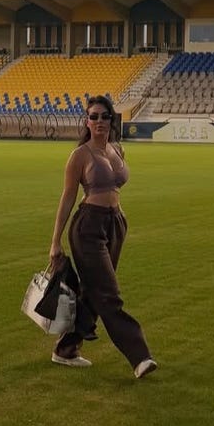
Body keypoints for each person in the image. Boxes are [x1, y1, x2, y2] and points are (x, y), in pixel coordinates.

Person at [48, 94, 157, 378]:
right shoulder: (80, 155)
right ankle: (140, 356)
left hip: (115, 223)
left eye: (104, 116)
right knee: (109, 294)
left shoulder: (117, 150)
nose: (99, 121)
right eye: (93, 116)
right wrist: (55, 241)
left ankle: (66, 349)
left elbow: (115, 186)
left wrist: (117, 219)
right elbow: (68, 197)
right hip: (88, 227)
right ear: (87, 121)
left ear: (112, 120)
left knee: (94, 292)